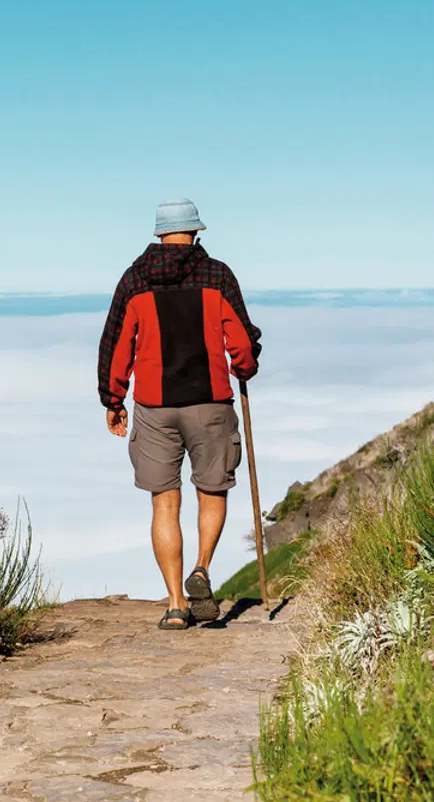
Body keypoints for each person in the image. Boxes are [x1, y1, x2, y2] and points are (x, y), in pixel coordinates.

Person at [97, 197, 262, 630]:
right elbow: (241, 342)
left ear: (157, 234)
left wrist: (113, 401)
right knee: (213, 490)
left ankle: (175, 605)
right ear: (197, 232)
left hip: (154, 408)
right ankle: (202, 569)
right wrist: (245, 367)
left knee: (164, 504)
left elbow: (117, 346)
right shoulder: (217, 275)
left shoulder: (134, 280)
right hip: (210, 404)